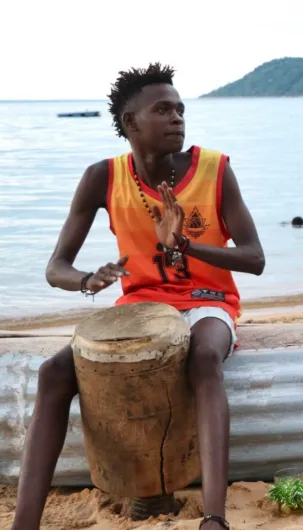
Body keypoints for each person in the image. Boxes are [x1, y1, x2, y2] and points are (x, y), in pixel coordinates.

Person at [12, 63, 265, 530]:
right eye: (163, 110)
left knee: (204, 359)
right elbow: (56, 268)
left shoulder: (215, 169)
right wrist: (88, 280)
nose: (177, 118)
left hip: (206, 300)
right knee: (54, 372)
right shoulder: (101, 178)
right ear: (131, 123)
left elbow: (254, 258)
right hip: (139, 310)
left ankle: (213, 517)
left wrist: (183, 245)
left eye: (180, 109)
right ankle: (24, 522)